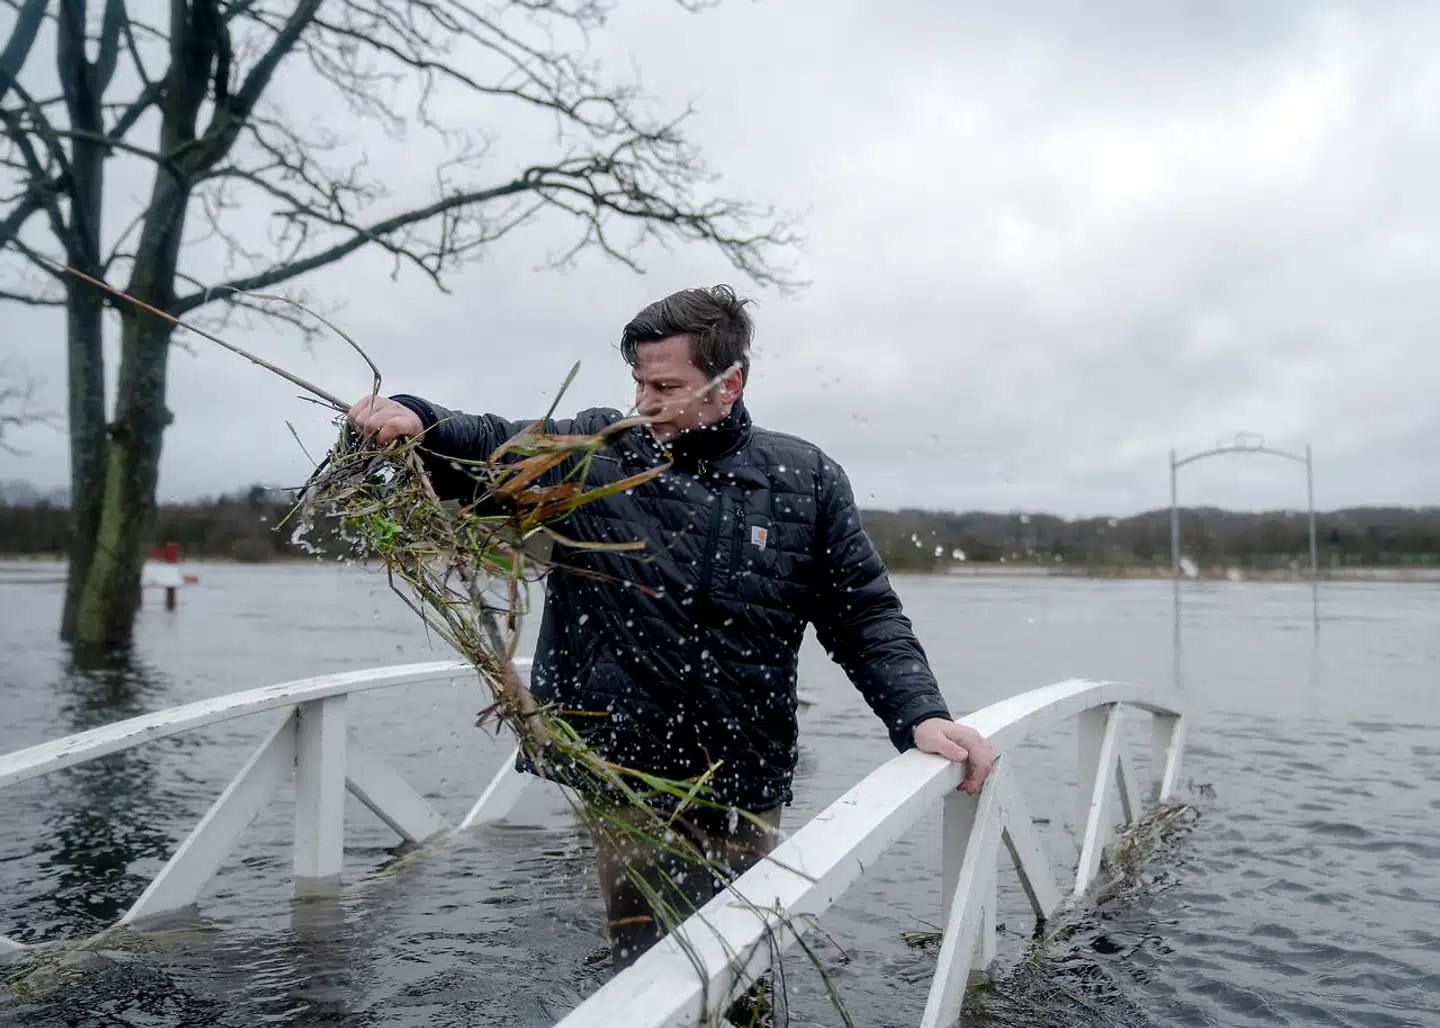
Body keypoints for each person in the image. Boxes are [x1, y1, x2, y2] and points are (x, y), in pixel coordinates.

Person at [347, 284, 996, 977]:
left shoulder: (805, 480)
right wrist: (417, 417)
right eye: (638, 382)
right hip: (626, 769)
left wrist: (919, 714)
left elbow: (862, 615)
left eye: (665, 387)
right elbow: (489, 443)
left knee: (745, 963)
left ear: (729, 384)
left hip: (745, 768)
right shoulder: (595, 454)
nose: (644, 403)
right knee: (647, 965)